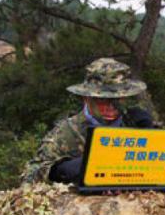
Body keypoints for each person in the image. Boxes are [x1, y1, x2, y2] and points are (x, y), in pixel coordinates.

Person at [21, 58, 156, 184]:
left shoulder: (133, 123)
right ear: (86, 98)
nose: (111, 107)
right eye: (102, 100)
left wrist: (152, 138)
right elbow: (29, 177)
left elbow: (158, 168)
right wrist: (59, 171)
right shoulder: (66, 134)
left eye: (118, 100)